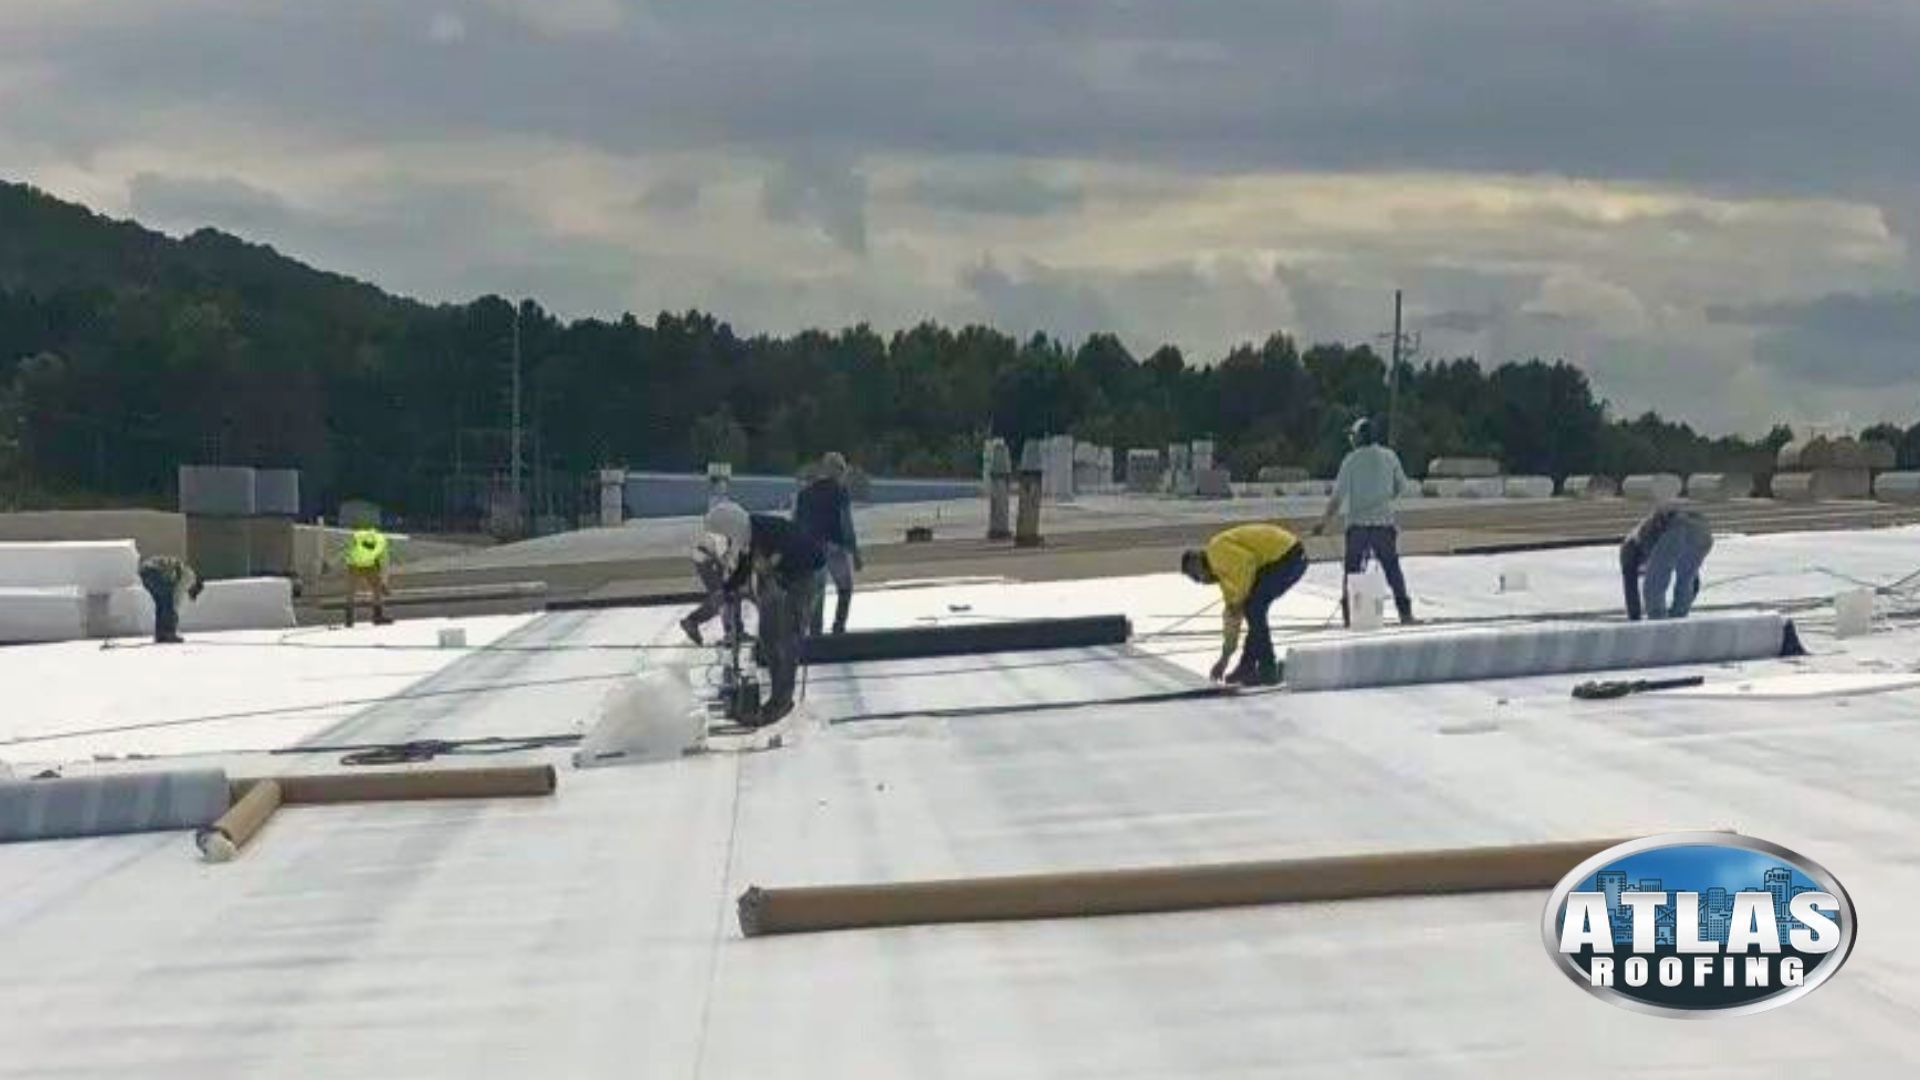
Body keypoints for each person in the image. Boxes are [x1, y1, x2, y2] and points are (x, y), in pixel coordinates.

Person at [702, 499, 825, 726]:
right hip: (789, 577)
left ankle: (781, 702)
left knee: (787, 637)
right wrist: (726, 591)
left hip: (807, 575)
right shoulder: (749, 536)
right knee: (769, 635)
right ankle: (778, 696)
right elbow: (744, 569)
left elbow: (788, 548)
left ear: (731, 527)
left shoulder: (763, 532)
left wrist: (773, 562)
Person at [1312, 417, 1415, 626]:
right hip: (1383, 524)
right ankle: (1405, 614)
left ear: (1358, 437)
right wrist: (1385, 499)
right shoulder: (1389, 456)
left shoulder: (1351, 460)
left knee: (1352, 571)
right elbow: (1402, 487)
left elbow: (1337, 497)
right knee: (1392, 570)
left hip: (1357, 526)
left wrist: (1323, 523)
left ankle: (1350, 617)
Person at [1180, 523, 1308, 686]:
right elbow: (1232, 618)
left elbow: (1247, 563)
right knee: (1253, 609)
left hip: (1289, 556)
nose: (1203, 583)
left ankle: (1266, 669)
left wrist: (1239, 600)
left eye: (1198, 578)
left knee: (1254, 608)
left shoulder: (1216, 551)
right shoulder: (1225, 576)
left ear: (1198, 565)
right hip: (1285, 559)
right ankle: (1247, 667)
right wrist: (1224, 658)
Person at [793, 451, 863, 635]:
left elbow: (796, 524)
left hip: (811, 548)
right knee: (845, 588)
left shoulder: (804, 493)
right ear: (838, 470)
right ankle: (838, 628)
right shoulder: (840, 491)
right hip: (834, 547)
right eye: (842, 470)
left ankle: (816, 633)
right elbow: (846, 523)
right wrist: (855, 552)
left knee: (817, 592)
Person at [1621, 507, 1714, 620]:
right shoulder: (1654, 543)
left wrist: (1635, 620)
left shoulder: (1630, 547)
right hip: (1703, 530)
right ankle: (1677, 621)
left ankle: (1660, 626)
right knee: (1685, 582)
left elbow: (1631, 590)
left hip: (1677, 524)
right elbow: (1694, 583)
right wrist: (1678, 611)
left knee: (1654, 585)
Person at [137, 554, 204, 644]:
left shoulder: (184, 571)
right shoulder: (189, 578)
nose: (188, 593)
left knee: (161, 604)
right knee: (168, 601)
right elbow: (176, 597)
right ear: (194, 587)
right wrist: (174, 614)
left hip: (144, 571)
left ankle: (160, 634)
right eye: (191, 593)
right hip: (154, 571)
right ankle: (169, 633)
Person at [342, 524, 393, 627]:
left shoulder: (358, 535)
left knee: (351, 591)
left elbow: (345, 549)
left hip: (354, 564)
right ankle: (377, 616)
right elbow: (385, 563)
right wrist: (384, 582)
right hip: (366, 565)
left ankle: (349, 619)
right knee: (376, 587)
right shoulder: (382, 540)